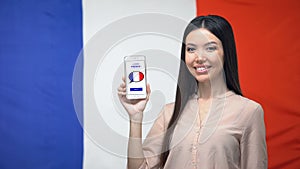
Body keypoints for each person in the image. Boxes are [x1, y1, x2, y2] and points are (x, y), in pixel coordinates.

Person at [118, 15, 268, 169]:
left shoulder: (249, 111)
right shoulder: (169, 113)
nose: (199, 57)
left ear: (226, 52)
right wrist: (135, 117)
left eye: (210, 48)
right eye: (191, 49)